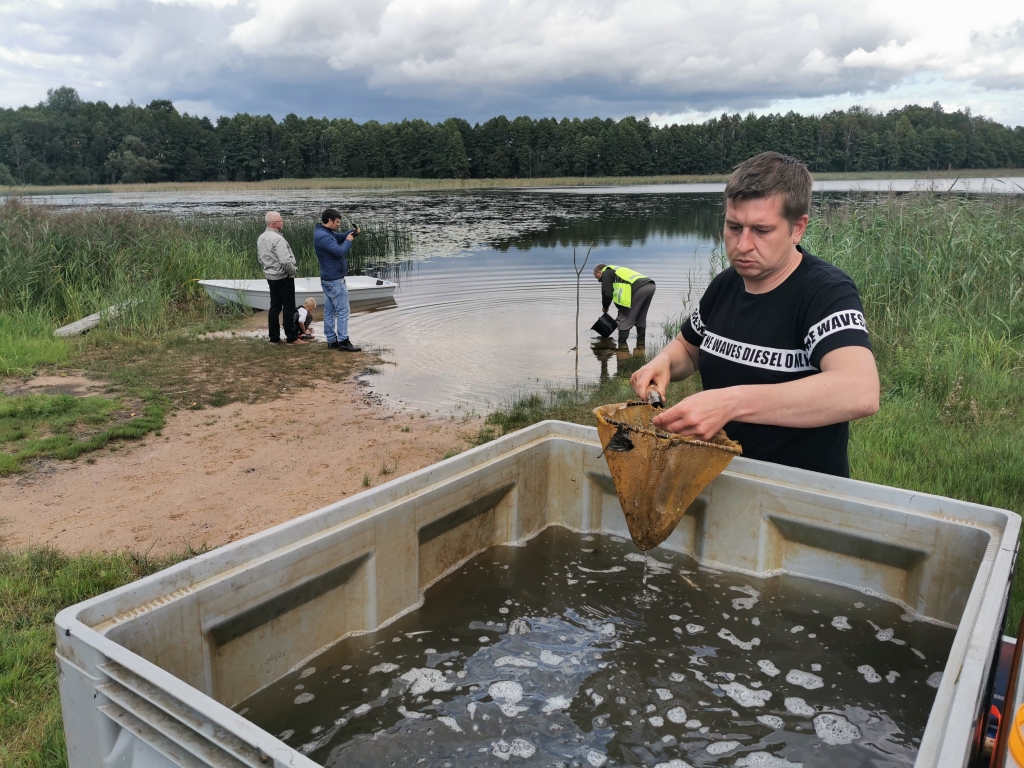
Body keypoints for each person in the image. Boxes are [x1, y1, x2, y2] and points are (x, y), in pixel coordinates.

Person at [629, 151, 879, 477]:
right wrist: (662, 363)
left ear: (797, 228)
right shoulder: (726, 284)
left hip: (796, 494)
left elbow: (859, 391)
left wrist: (731, 403)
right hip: (717, 477)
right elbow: (689, 349)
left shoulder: (824, 292)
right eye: (734, 227)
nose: (742, 244)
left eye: (761, 230)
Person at [313, 208, 361, 352]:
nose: (338, 225)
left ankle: (331, 340)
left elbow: (338, 237)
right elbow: (339, 250)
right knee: (343, 310)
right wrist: (349, 241)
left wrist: (352, 233)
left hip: (329, 279)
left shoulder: (325, 232)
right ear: (329, 221)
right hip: (334, 280)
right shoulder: (323, 236)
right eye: (337, 222)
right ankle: (343, 341)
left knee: (329, 310)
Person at [257, 211, 306, 345]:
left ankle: (274, 338)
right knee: (289, 307)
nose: (282, 222)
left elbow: (260, 258)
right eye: (280, 220)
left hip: (271, 277)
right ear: (274, 224)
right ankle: (291, 337)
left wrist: (268, 269)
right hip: (283, 277)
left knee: (275, 307)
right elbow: (285, 261)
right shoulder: (278, 239)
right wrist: (292, 272)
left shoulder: (261, 237)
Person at [593, 263, 656, 346]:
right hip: (650, 285)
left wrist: (605, 307)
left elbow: (607, 294)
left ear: (599, 272)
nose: (598, 280)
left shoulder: (606, 273)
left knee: (625, 317)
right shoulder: (616, 269)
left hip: (638, 288)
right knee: (641, 316)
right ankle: (641, 342)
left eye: (597, 277)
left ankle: (622, 346)